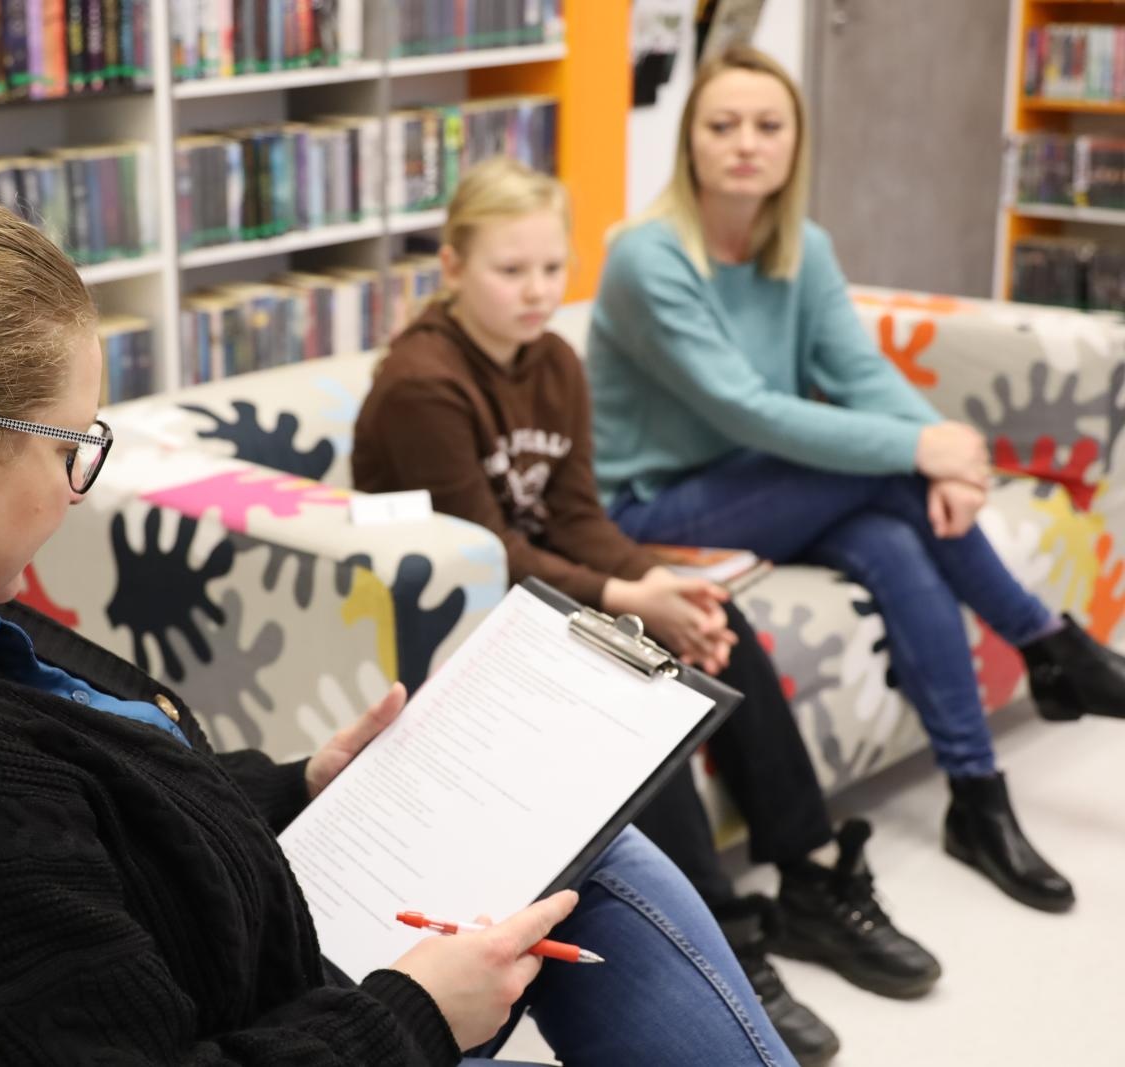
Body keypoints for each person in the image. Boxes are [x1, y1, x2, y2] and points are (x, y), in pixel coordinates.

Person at [0, 187, 794, 1066]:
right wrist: (415, 1016)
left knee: (577, 845)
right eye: (74, 447)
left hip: (253, 973)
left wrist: (296, 782)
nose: (79, 491)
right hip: (298, 1019)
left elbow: (68, 818)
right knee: (598, 870)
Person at [352, 157, 938, 1067]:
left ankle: (809, 877)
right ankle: (731, 940)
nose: (539, 291)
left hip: (542, 598)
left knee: (714, 623)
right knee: (629, 695)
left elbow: (578, 512)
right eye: (512, 271)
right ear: (454, 266)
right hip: (463, 623)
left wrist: (664, 590)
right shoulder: (423, 383)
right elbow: (485, 552)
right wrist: (632, 599)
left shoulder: (551, 360)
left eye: (553, 268)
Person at [590, 44, 1125, 919]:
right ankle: (1046, 644)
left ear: (797, 142)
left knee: (892, 533)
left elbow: (861, 371)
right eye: (722, 125)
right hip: (659, 508)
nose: (746, 144)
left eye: (769, 126)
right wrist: (925, 454)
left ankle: (977, 795)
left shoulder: (801, 247)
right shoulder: (647, 258)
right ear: (689, 142)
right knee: (896, 482)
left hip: (765, 489)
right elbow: (750, 410)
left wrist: (945, 445)